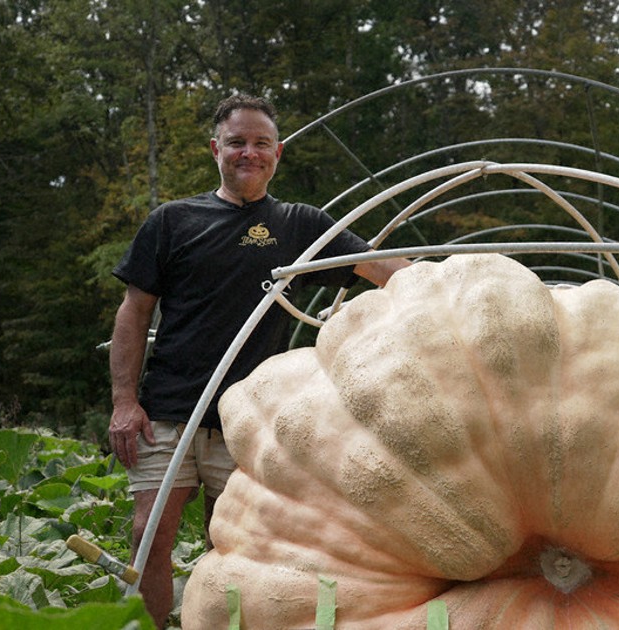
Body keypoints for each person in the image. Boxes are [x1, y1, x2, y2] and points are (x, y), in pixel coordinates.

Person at [107, 93, 408, 628]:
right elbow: (133, 314)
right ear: (215, 149)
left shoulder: (299, 225)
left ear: (278, 152)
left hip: (249, 419)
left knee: (239, 550)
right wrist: (125, 402)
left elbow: (380, 268)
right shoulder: (172, 221)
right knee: (147, 535)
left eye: (260, 143)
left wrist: (447, 279)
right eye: (237, 142)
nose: (249, 153)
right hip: (168, 412)